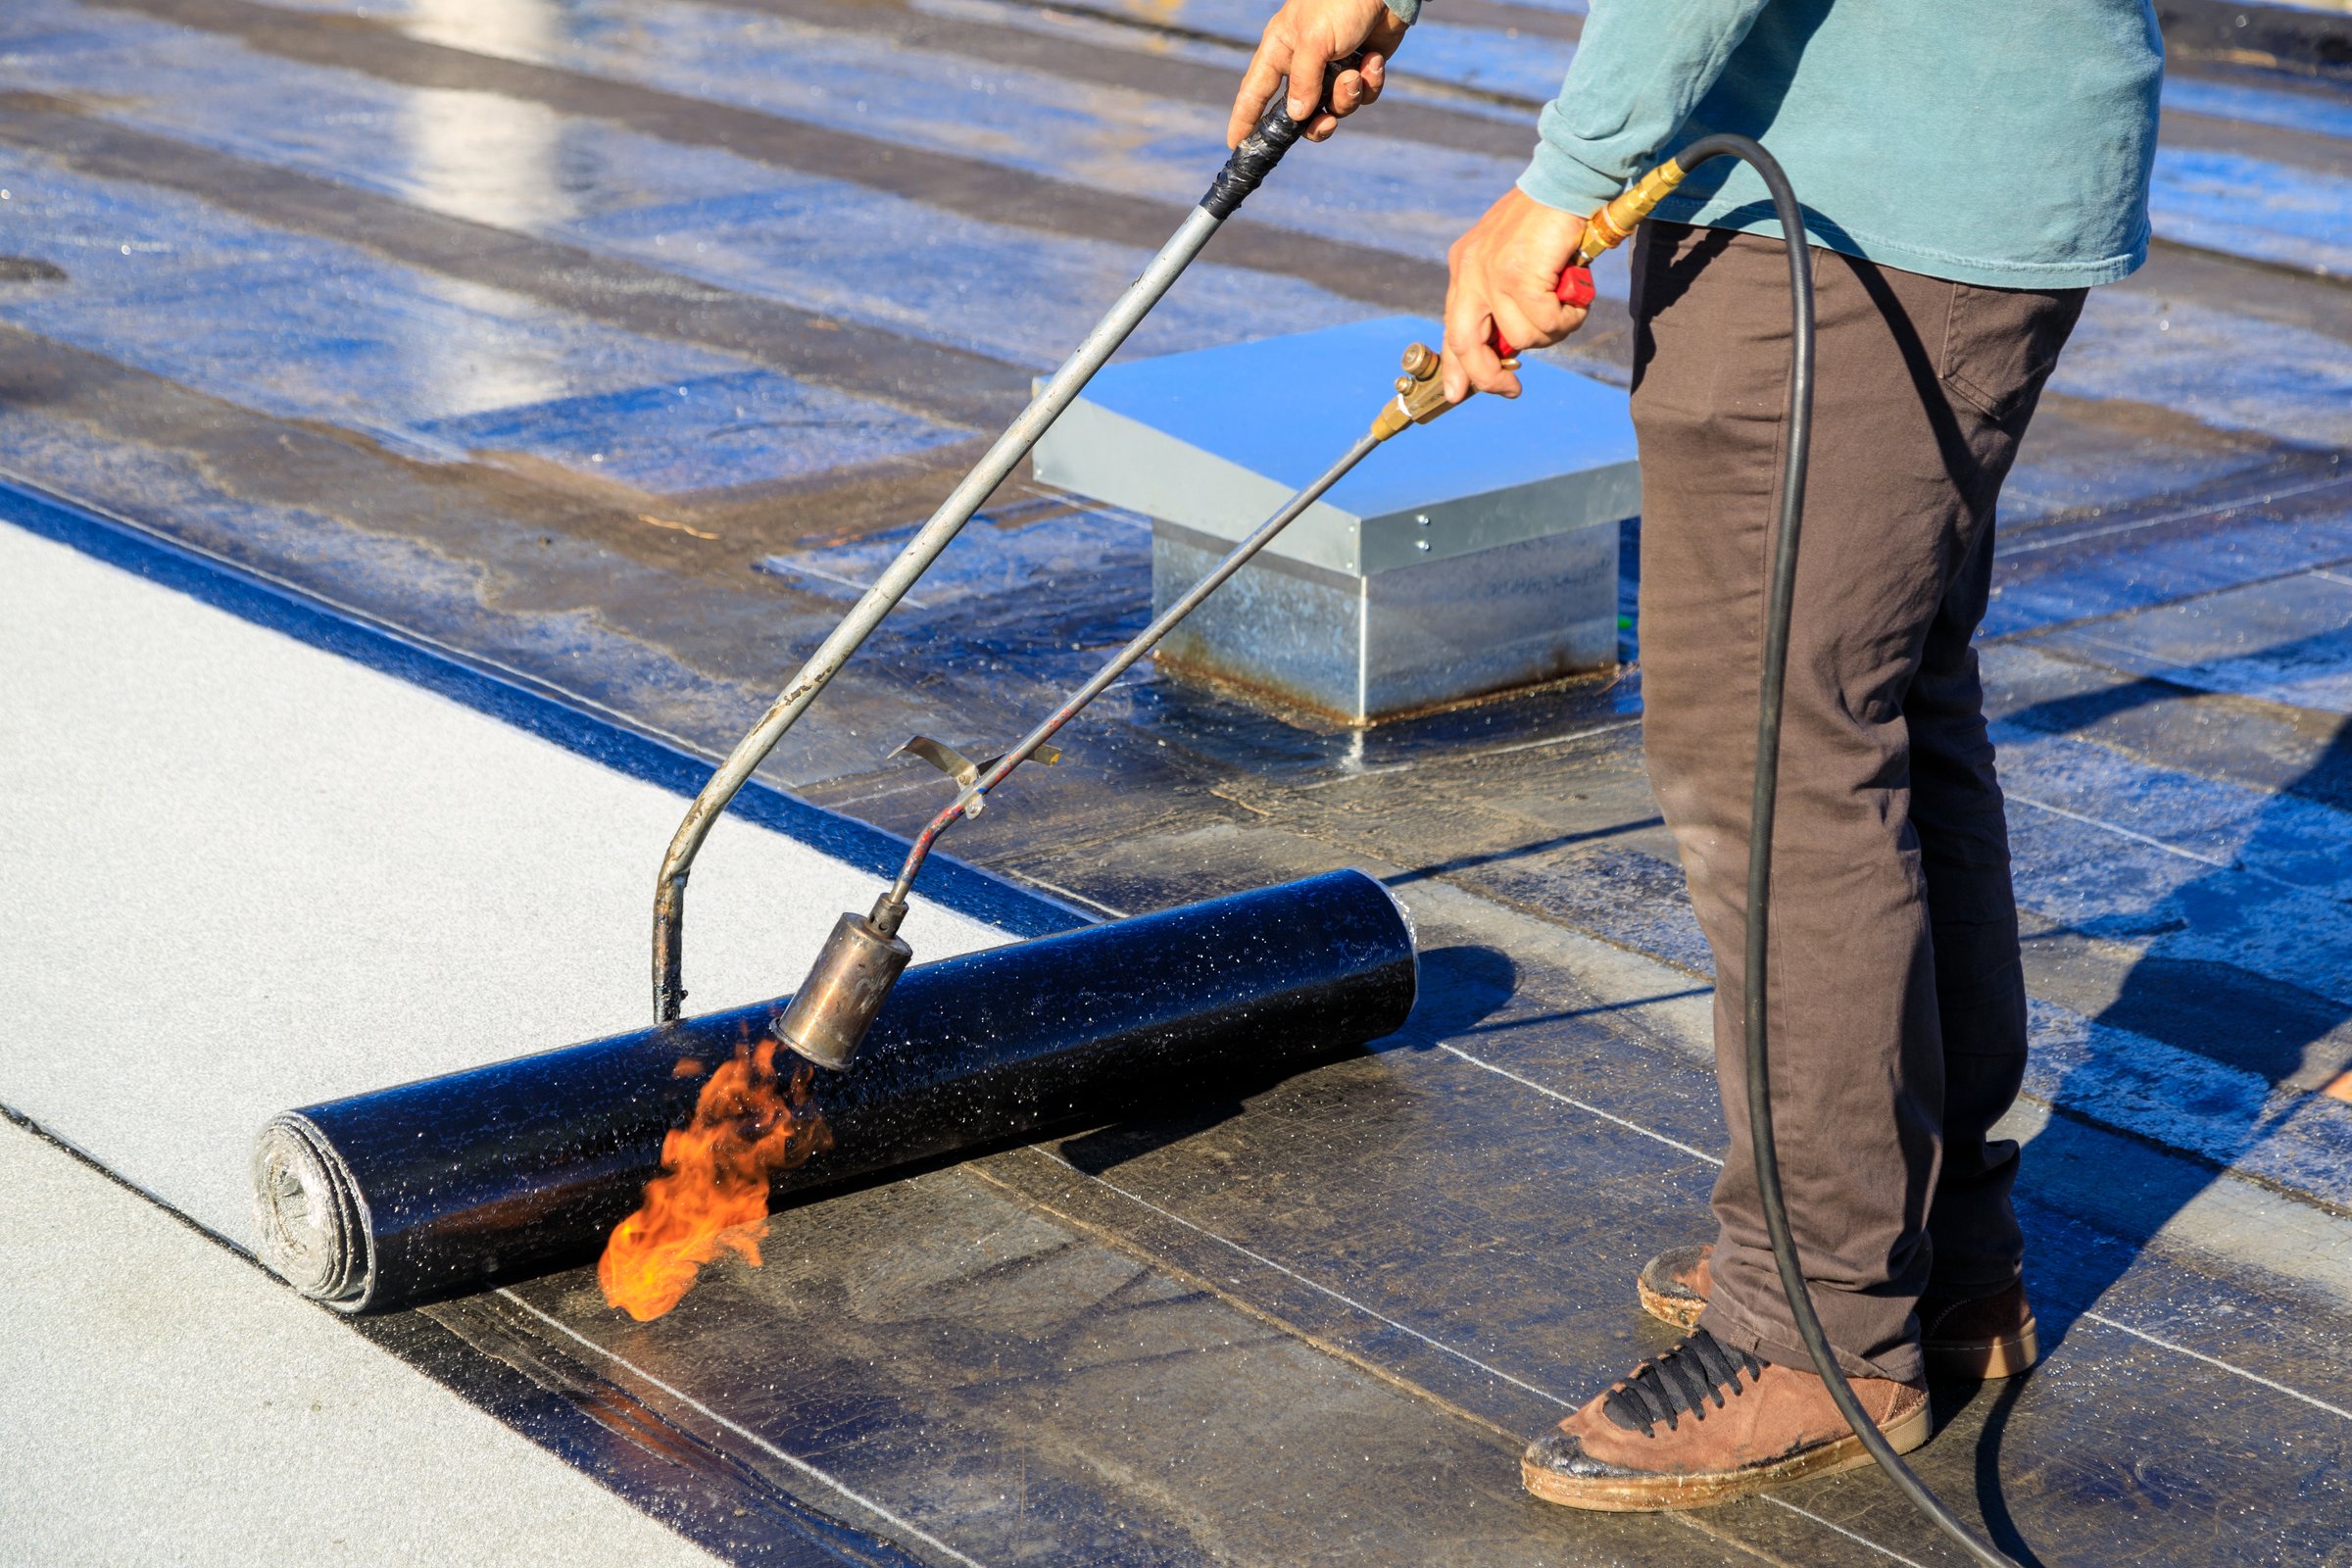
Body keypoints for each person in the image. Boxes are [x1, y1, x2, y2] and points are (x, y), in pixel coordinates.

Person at [1230, 0, 2163, 1511]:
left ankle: (1819, 1327)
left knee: (1778, 752)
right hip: (1954, 159)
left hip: (1882, 191)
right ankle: (1931, 1263)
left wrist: (1561, 180)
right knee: (1884, 711)